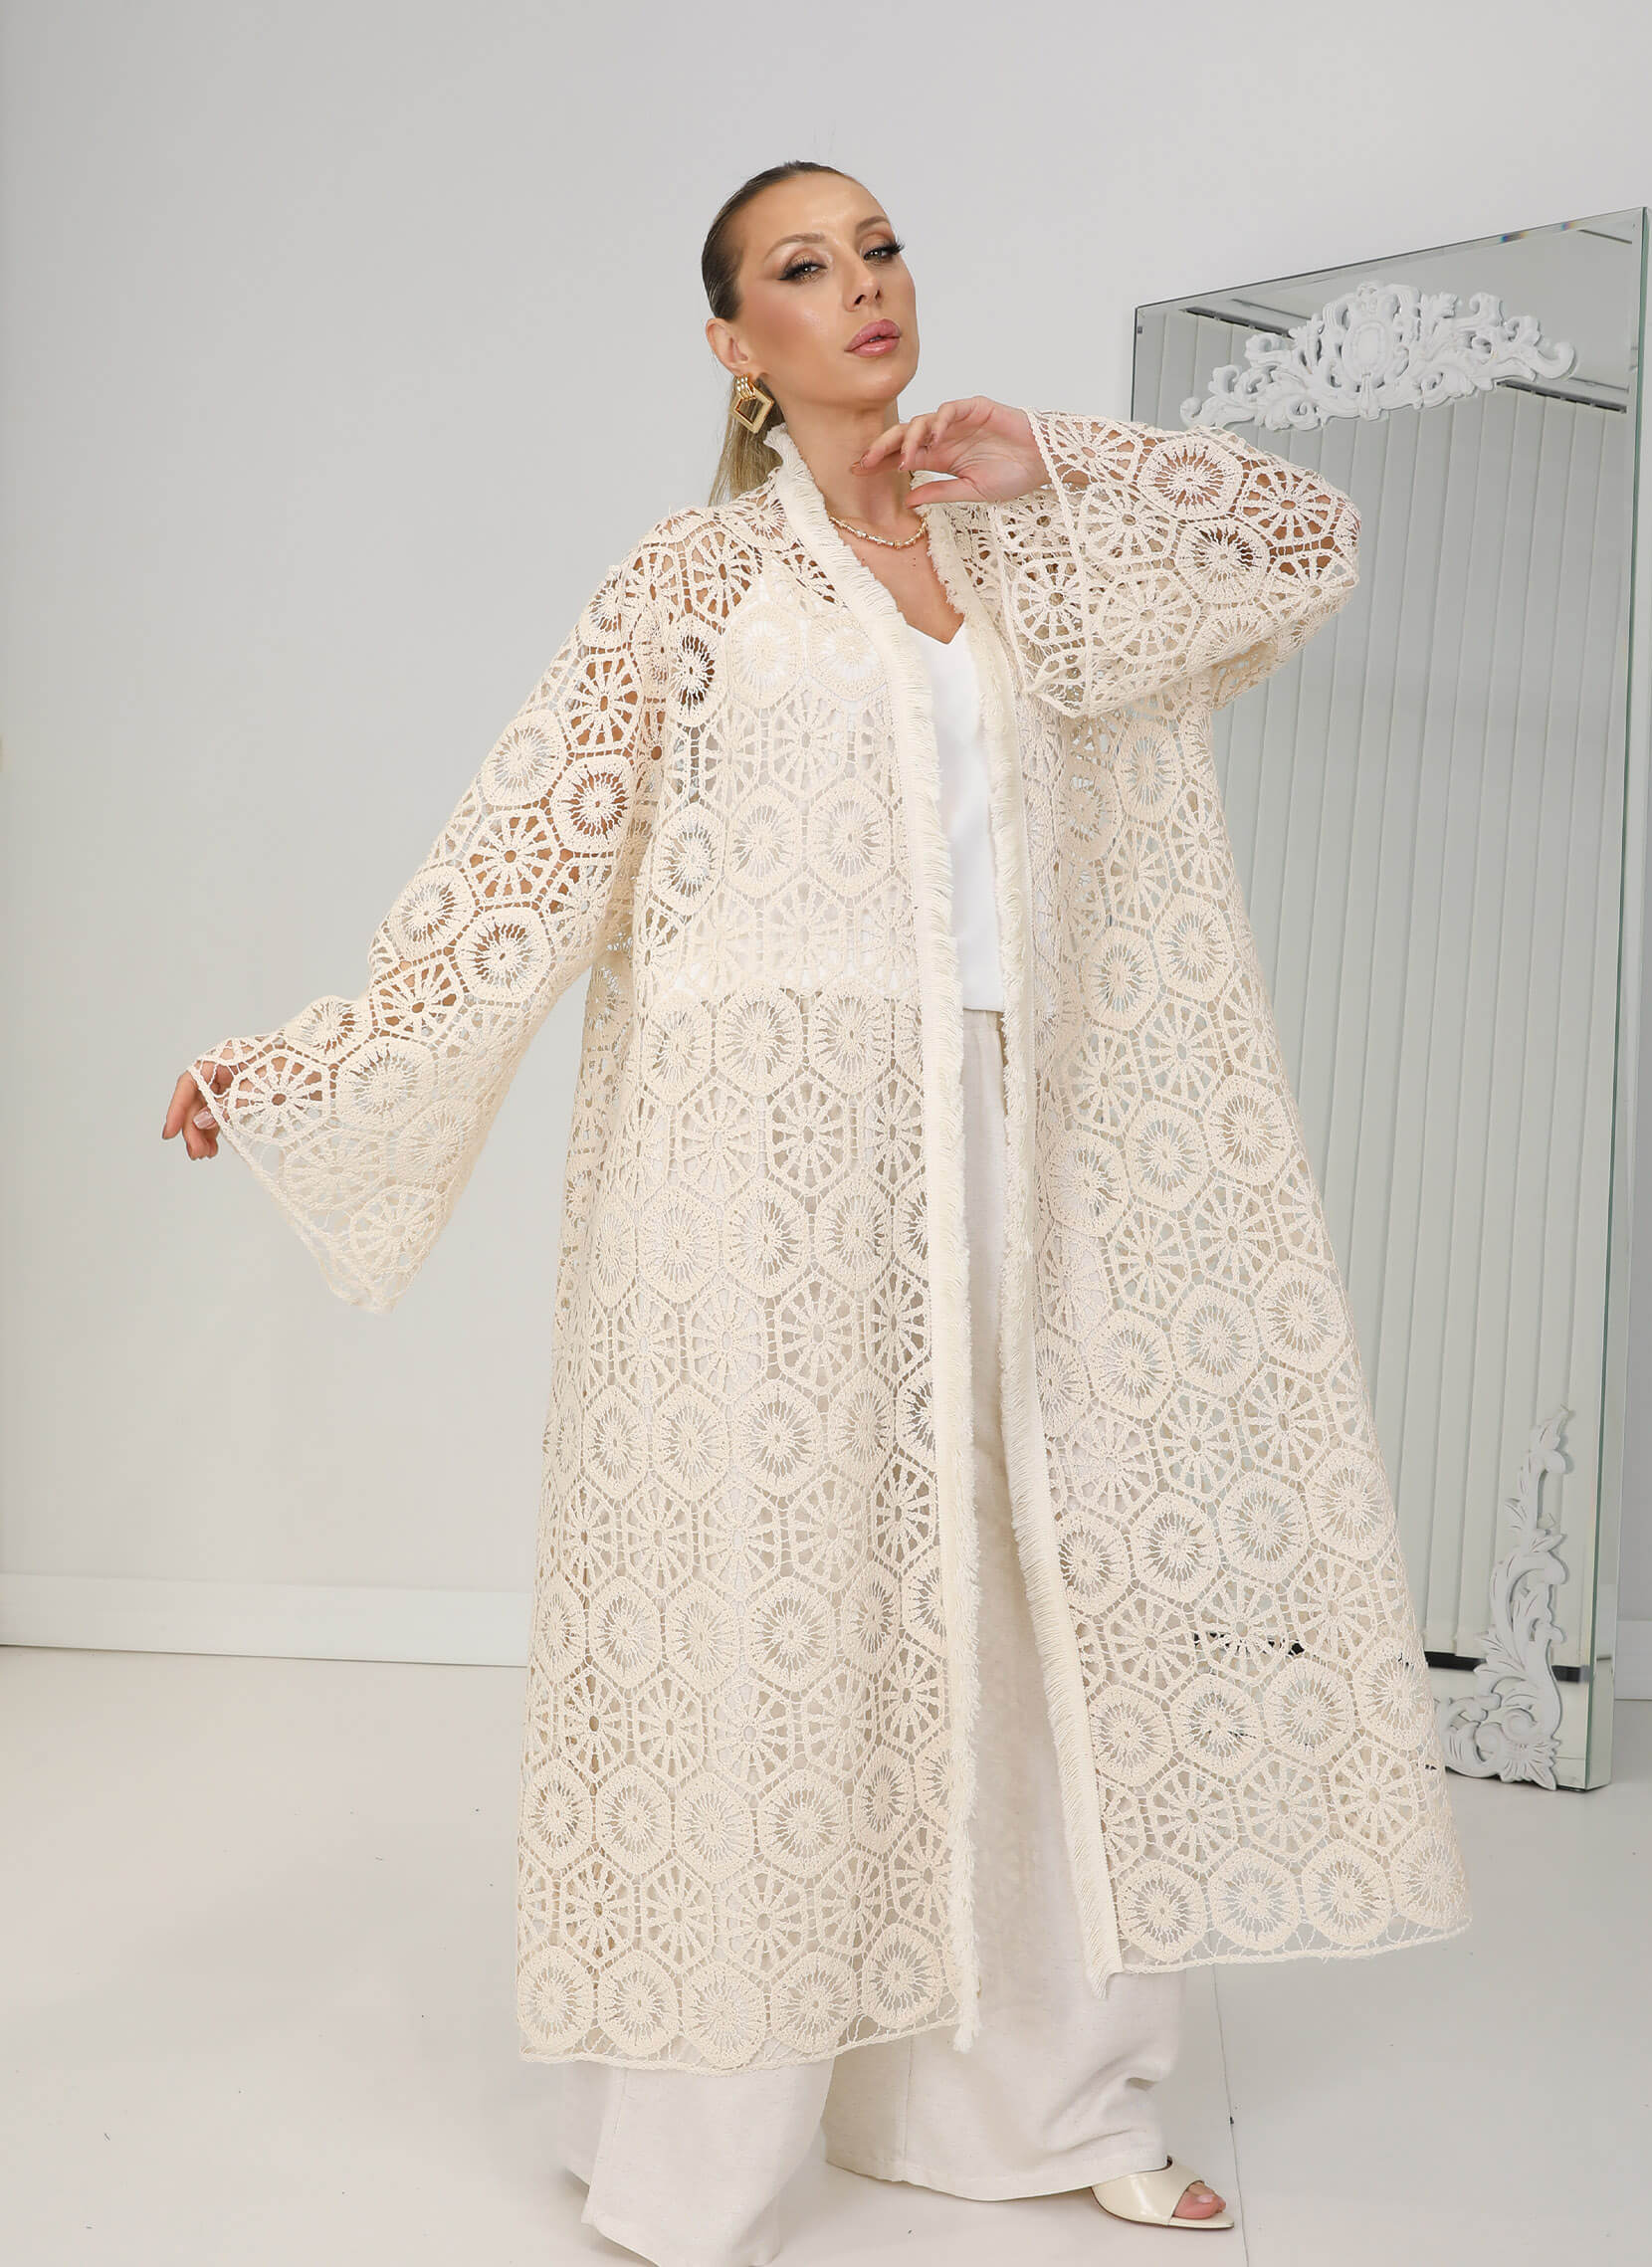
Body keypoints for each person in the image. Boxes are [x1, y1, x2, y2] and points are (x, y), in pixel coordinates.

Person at [164, 159, 1468, 2264]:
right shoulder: (693, 583)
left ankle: (1040, 2096)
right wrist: (310, 1059)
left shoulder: (1030, 556)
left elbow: (1301, 538)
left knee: (1040, 1599)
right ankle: (708, 2147)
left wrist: (1061, 459)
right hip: (759, 1166)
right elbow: (527, 856)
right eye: (802, 267)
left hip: (1018, 1132)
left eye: (878, 248)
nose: (860, 286)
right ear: (734, 345)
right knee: (771, 1607)